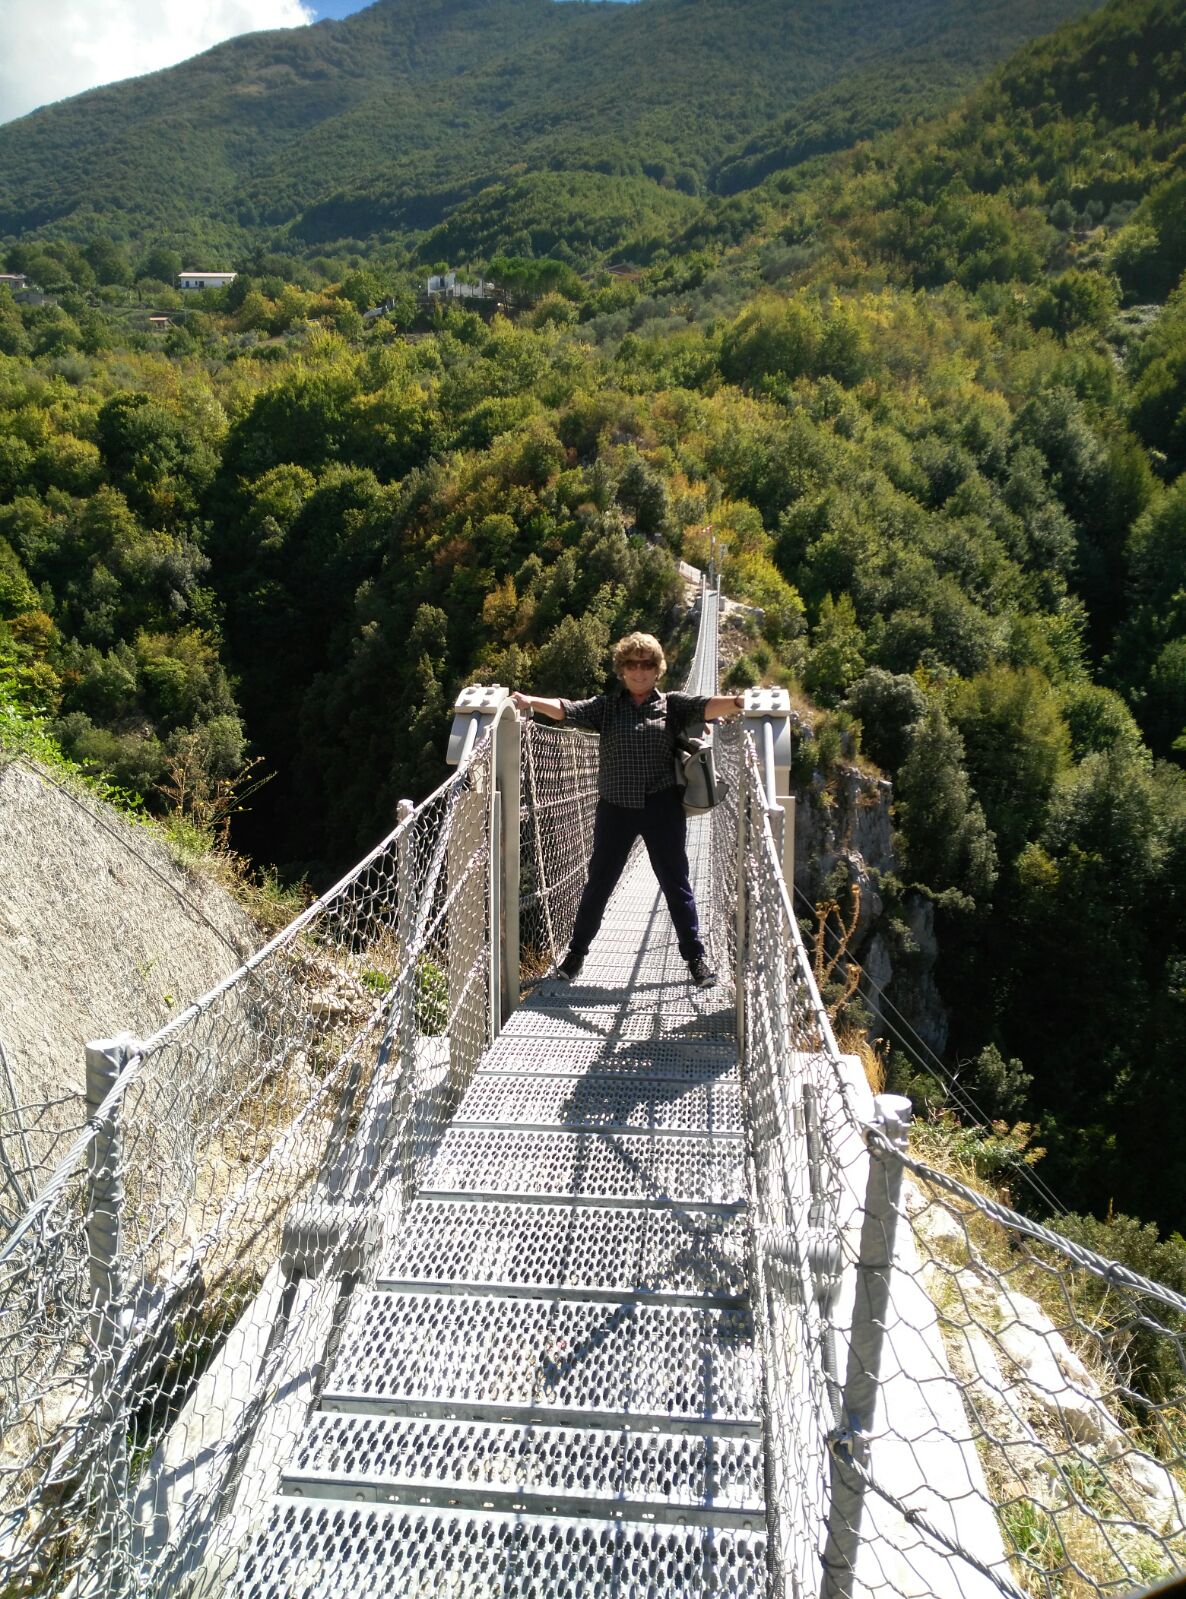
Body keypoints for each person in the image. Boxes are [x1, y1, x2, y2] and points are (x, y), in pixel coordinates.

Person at [512, 631, 745, 989]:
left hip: (661, 806)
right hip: (616, 809)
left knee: (676, 883)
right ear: (622, 669)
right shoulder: (607, 707)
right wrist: (530, 701)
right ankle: (576, 955)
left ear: (657, 669)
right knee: (599, 883)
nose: (639, 671)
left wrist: (740, 701)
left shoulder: (673, 705)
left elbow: (706, 706)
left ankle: (695, 958)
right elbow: (566, 709)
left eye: (647, 664)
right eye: (632, 665)